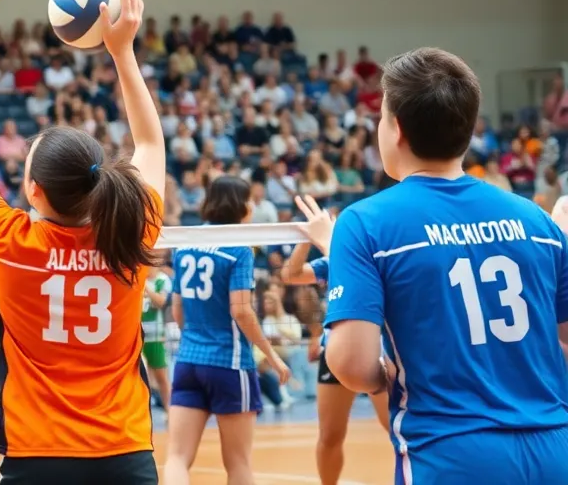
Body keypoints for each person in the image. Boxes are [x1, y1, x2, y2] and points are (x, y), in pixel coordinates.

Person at [0, 0, 165, 485]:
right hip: (124, 454)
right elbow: (151, 143)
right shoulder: (132, 232)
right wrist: (122, 52)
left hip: (37, 457)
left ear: (33, 191)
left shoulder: (10, 243)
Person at [323, 48, 568, 484]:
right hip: (553, 449)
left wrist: (384, 375)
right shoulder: (537, 221)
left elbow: (350, 364)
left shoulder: (365, 223)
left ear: (395, 128)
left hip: (450, 453)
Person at [163, 176, 290, 485]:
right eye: (248, 201)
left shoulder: (184, 243)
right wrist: (271, 356)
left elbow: (177, 310)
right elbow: (242, 310)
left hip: (188, 362)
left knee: (177, 458)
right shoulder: (240, 249)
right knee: (238, 464)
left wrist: (197, 338)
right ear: (238, 205)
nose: (252, 207)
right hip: (229, 365)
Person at [280, 196, 388, 485]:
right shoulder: (331, 260)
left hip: (376, 349)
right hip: (336, 352)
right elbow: (289, 275)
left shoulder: (374, 253)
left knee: (395, 428)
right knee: (330, 435)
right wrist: (305, 238)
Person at [141, 264, 173, 420]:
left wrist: (147, 289)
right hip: (137, 334)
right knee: (140, 375)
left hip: (155, 334)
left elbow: (161, 302)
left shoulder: (162, 280)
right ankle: (143, 412)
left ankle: (170, 410)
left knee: (161, 375)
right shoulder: (137, 276)